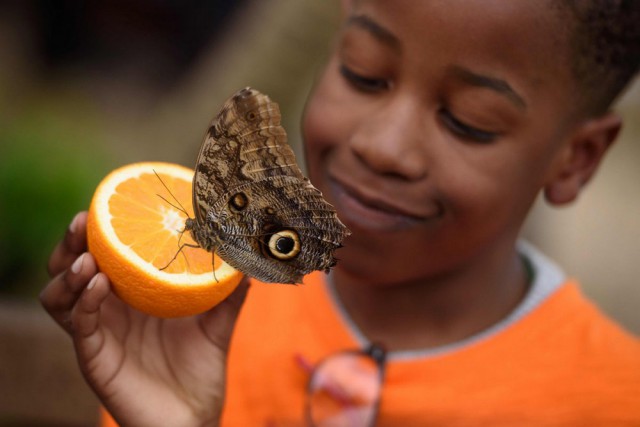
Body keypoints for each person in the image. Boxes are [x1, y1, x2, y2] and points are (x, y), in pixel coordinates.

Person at [41, 0, 640, 426]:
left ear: (575, 158)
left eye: (468, 121)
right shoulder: (202, 306)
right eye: (364, 74)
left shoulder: (613, 400)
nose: (382, 145)